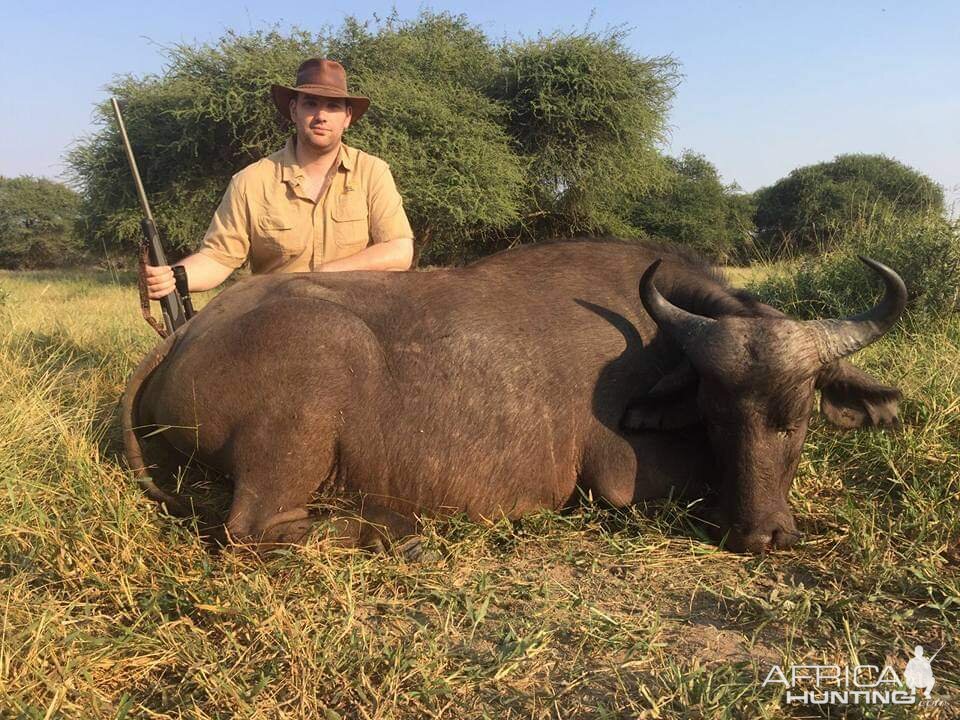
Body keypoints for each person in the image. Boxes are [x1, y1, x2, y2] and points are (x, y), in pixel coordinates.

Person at [145, 58, 414, 300]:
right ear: (294, 110)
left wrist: (328, 273)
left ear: (347, 118)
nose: (321, 116)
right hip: (276, 318)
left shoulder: (373, 172)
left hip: (355, 312)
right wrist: (173, 276)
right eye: (311, 103)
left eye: (332, 107)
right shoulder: (250, 181)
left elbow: (399, 250)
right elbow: (218, 258)